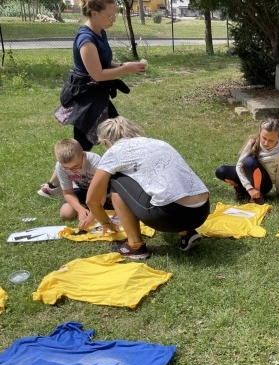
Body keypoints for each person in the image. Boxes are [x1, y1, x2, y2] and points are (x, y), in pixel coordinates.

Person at [40, 0, 147, 199]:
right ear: (94, 13)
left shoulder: (100, 32)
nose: (113, 20)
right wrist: (126, 69)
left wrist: (125, 64)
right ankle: (54, 185)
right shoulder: (86, 39)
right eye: (110, 16)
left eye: (116, 15)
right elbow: (97, 74)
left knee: (117, 134)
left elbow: (105, 63)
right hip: (87, 99)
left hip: (98, 95)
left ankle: (52, 186)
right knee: (84, 145)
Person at [86, 117, 210, 259]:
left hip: (171, 215)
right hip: (201, 211)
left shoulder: (114, 152)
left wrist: (106, 223)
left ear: (106, 142)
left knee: (116, 179)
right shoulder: (160, 143)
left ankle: (135, 245)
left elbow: (92, 200)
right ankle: (187, 233)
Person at [215, 118, 279, 205]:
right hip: (249, 179)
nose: (266, 143)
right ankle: (242, 188)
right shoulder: (253, 142)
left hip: (264, 185)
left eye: (271, 140)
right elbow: (239, 166)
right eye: (264, 138)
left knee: (249, 162)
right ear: (260, 132)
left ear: (278, 137)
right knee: (221, 171)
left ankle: (257, 194)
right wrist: (249, 188)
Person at [52, 139, 111, 231]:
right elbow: (68, 193)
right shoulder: (60, 166)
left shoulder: (95, 162)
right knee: (66, 214)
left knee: (118, 208)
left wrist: (90, 218)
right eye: (67, 168)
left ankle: (93, 209)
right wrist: (79, 209)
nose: (72, 171)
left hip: (101, 191)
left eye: (76, 166)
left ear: (84, 155)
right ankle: (85, 207)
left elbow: (101, 194)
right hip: (81, 189)